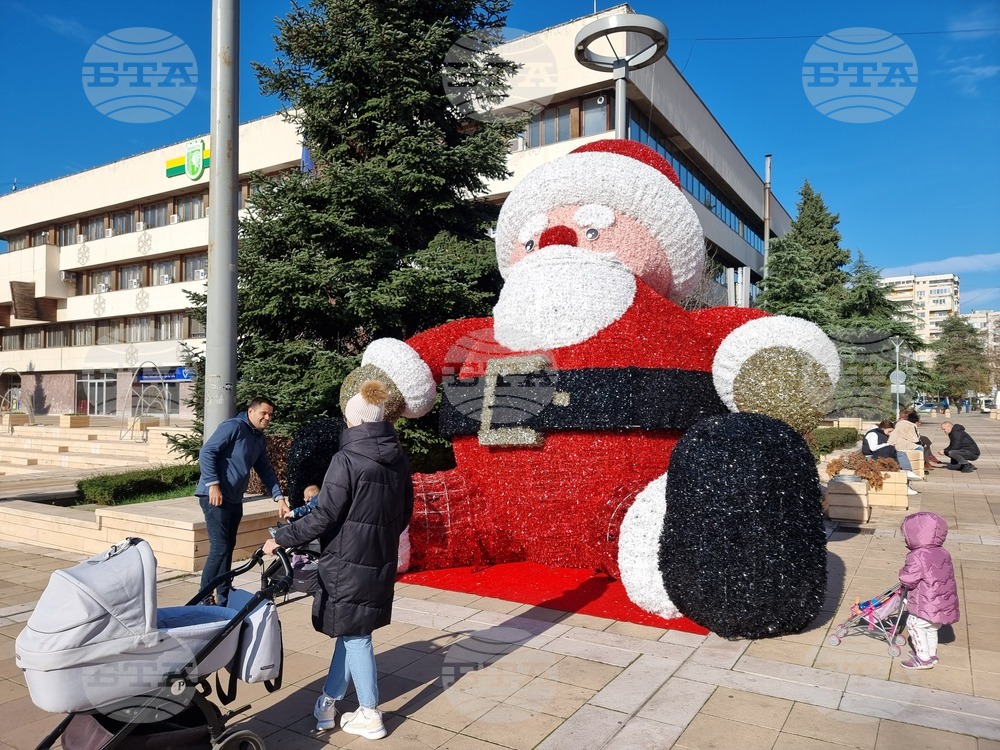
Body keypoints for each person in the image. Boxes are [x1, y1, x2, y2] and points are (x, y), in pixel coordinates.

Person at [263, 380, 413, 740]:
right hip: (378, 557)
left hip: (347, 559)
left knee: (356, 634)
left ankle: (370, 713)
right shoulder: (397, 459)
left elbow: (323, 516)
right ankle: (328, 702)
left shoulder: (347, 459)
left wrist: (280, 540)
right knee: (350, 629)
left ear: (357, 422)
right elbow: (405, 513)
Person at [196, 397, 285, 606]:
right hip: (214, 496)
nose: (267, 417)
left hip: (235, 499)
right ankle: (203, 597)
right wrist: (213, 485)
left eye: (270, 415)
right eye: (264, 413)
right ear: (251, 411)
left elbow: (264, 469)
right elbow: (207, 452)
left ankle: (224, 594)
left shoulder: (258, 438)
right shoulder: (233, 427)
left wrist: (279, 497)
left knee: (228, 547)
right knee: (219, 547)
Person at [898, 512, 960, 669]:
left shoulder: (917, 556)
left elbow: (908, 578)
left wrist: (902, 574)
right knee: (932, 628)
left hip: (926, 603)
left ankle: (923, 658)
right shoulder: (943, 552)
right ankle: (931, 654)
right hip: (942, 603)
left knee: (914, 624)